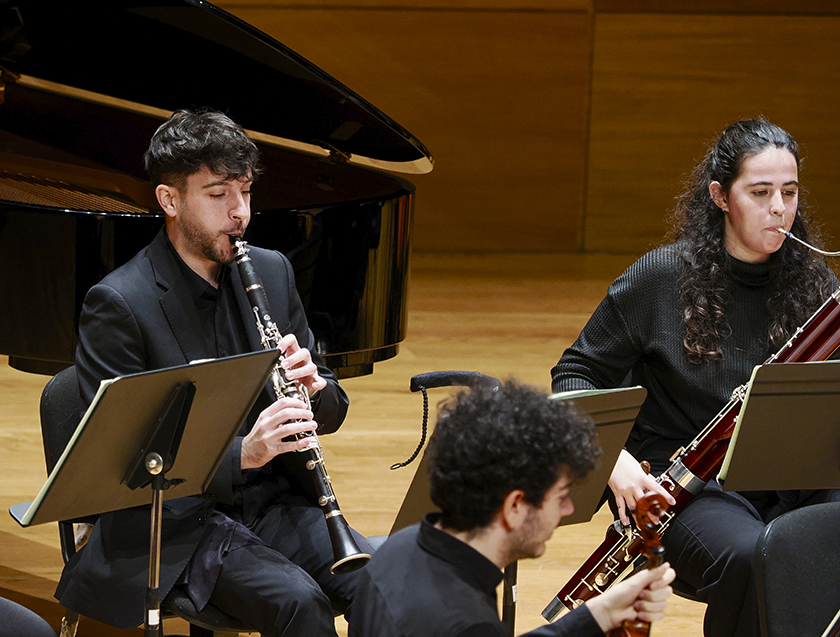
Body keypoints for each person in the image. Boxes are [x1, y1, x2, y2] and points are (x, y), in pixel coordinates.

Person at [55, 108, 370, 636]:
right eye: (219, 195)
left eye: (245, 192)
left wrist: (315, 389)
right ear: (170, 200)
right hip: (176, 523)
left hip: (273, 503)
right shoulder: (119, 304)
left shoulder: (271, 270)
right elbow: (122, 463)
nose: (239, 212)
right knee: (298, 602)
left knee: (379, 582)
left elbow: (332, 409)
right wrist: (244, 453)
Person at [551, 117, 840, 637]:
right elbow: (575, 374)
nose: (779, 208)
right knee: (754, 557)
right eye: (760, 192)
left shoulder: (817, 284)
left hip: (791, 477)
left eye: (790, 192)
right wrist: (611, 459)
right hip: (685, 489)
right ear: (720, 197)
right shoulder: (660, 278)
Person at [349, 380, 675, 636]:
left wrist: (600, 613)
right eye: (561, 495)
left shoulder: (399, 548)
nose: (568, 508)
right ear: (514, 505)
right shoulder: (468, 623)